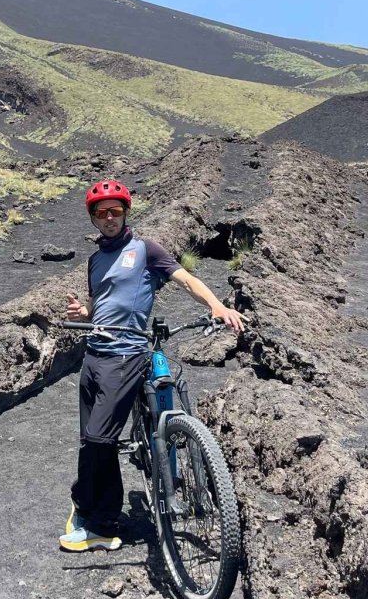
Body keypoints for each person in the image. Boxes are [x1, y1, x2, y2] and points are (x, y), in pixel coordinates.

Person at [59, 178, 244, 552]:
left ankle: (94, 517)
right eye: (101, 213)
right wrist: (85, 311)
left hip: (126, 354)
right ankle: (98, 510)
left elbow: (186, 279)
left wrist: (216, 306)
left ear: (126, 213)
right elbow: (104, 302)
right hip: (94, 354)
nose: (109, 218)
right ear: (93, 219)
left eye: (115, 211)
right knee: (91, 439)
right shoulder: (96, 260)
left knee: (99, 439)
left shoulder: (145, 249)